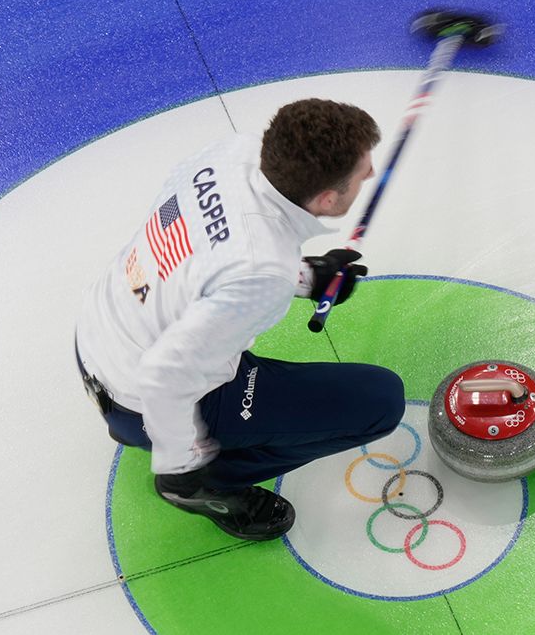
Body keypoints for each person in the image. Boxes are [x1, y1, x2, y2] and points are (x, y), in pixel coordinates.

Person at [74, 99, 403, 539]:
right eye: (362, 171)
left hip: (103, 336)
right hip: (147, 394)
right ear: (327, 198)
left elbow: (220, 256)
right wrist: (180, 465)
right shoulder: (262, 272)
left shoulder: (235, 154)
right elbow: (165, 375)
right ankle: (210, 482)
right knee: (380, 402)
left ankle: (152, 435)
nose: (369, 175)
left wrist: (308, 276)